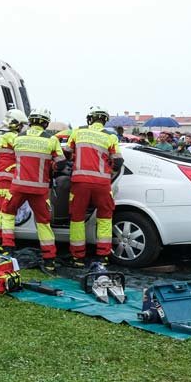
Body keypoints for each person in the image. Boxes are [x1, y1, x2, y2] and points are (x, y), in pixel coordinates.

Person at [0, 108, 63, 273]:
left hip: (18, 186)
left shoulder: (18, 138)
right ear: (46, 123)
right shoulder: (52, 140)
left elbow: (10, 157)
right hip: (39, 189)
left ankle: (7, 248)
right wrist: (51, 166)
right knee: (43, 223)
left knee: (7, 214)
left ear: (31, 120)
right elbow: (61, 163)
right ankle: (49, 260)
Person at [65, 106, 122, 267]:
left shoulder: (77, 132)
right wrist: (109, 171)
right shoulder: (110, 137)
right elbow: (118, 161)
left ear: (89, 119)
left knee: (77, 218)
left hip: (80, 182)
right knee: (105, 218)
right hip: (102, 184)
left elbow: (66, 154)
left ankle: (78, 257)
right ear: (104, 120)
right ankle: (103, 256)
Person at [0, 109, 28, 249]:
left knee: (3, 211)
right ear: (14, 124)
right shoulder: (9, 137)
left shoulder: (4, 137)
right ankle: (6, 243)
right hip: (5, 179)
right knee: (6, 212)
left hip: (3, 179)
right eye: (21, 125)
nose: (22, 128)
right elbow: (24, 148)